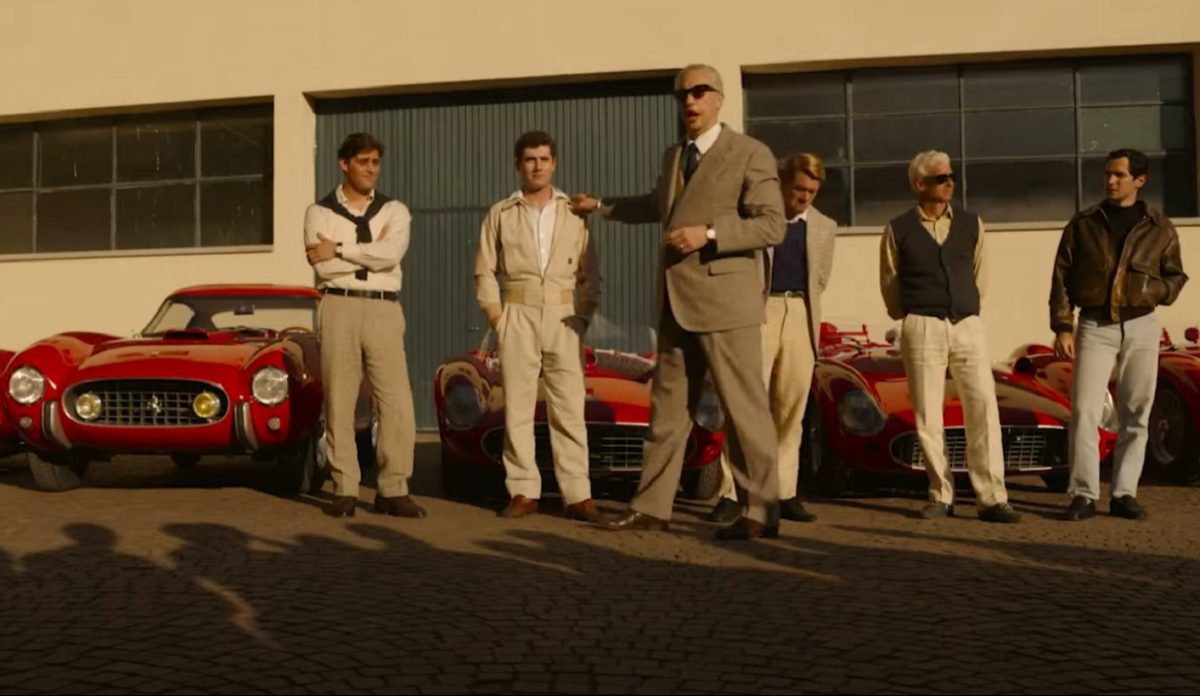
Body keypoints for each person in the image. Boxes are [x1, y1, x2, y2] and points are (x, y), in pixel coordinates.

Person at [572, 64, 787, 540]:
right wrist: (602, 206)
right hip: (676, 301)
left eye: (699, 91)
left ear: (719, 98)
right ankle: (652, 507)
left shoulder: (749, 153)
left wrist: (708, 234)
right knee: (667, 414)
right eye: (682, 94)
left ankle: (760, 511)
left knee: (743, 411)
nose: (689, 101)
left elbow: (772, 224)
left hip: (727, 304)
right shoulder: (675, 156)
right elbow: (658, 205)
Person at [879, 150, 1020, 523]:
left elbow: (980, 277)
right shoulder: (897, 229)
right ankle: (940, 494)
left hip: (966, 325)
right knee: (928, 413)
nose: (949, 183)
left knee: (983, 407)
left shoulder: (973, 224)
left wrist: (965, 308)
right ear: (919, 184)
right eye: (940, 178)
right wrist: (915, 314)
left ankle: (992, 497)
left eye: (951, 176)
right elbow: (890, 283)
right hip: (921, 324)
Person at [1050, 148, 1188, 521]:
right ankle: (1083, 494)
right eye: (1108, 174)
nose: (1110, 181)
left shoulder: (1160, 227)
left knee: (1137, 411)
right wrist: (1062, 326)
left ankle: (1124, 493)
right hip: (1095, 324)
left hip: (1143, 325)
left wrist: (1153, 291)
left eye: (1119, 175)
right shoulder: (1084, 223)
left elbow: (1176, 275)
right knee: (1085, 410)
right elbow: (1061, 276)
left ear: (1139, 180)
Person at [474, 130, 603, 522]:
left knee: (569, 406)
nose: (537, 166)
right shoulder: (500, 213)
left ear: (554, 163)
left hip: (564, 315)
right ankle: (523, 490)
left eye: (544, 159)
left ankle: (577, 494)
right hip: (518, 312)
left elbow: (591, 273)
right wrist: (498, 318)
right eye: (530, 159)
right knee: (517, 406)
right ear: (518, 165)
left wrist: (583, 316)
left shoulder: (573, 212)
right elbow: (484, 271)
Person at [709, 153, 837, 524]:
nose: (805, 197)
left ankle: (784, 492)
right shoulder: (756, 218)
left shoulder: (824, 226)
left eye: (812, 191)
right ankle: (731, 493)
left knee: (791, 407)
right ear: (782, 183)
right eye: (799, 189)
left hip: (800, 315)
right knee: (745, 406)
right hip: (759, 313)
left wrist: (800, 310)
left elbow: (820, 277)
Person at [304, 132, 422, 519]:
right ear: (345, 164)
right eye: (363, 162)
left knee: (397, 403)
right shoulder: (319, 212)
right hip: (338, 305)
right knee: (339, 400)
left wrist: (340, 248)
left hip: (384, 308)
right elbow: (323, 267)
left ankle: (393, 488)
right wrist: (370, 255)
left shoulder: (395, 210)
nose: (371, 169)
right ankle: (345, 488)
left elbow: (391, 254)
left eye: (375, 162)